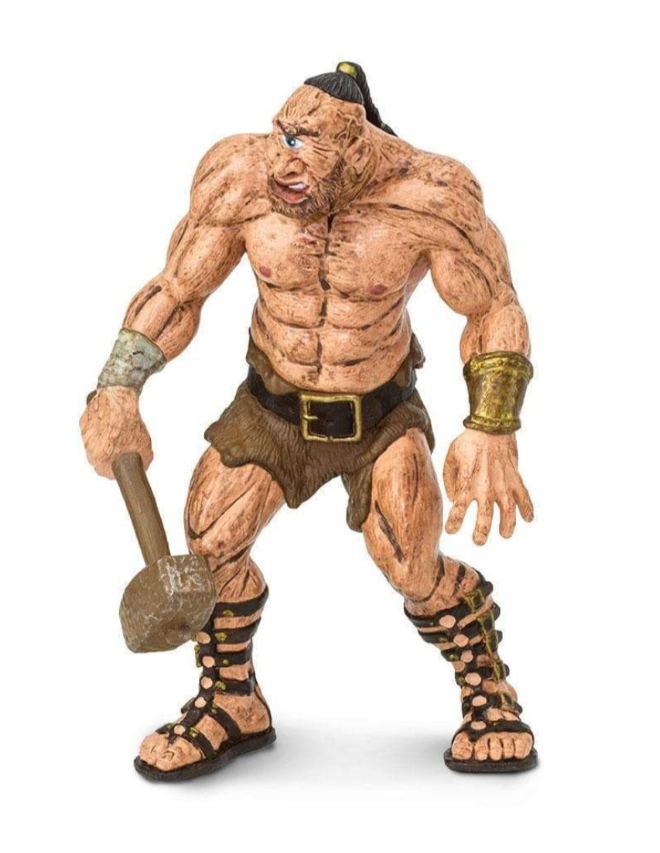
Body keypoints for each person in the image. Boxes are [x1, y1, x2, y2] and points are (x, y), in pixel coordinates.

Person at [81, 62, 536, 781]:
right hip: (273, 406)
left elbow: (493, 307)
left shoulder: (428, 195)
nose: (281, 166)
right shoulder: (241, 178)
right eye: (280, 137)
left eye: (304, 147)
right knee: (209, 542)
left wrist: (492, 425)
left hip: (378, 414)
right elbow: (178, 289)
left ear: (357, 147)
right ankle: (233, 702)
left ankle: (490, 692)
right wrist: (118, 386)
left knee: (411, 563)